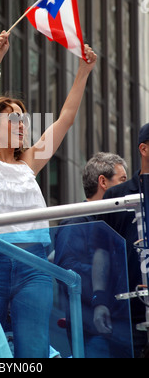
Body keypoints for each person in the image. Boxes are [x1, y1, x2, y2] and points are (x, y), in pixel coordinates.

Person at [0, 31, 97, 358]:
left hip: (33, 266)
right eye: (14, 119)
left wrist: (83, 72)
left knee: (33, 352)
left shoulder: (28, 161)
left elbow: (65, 119)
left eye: (25, 119)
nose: (23, 125)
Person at [54, 152, 132, 358]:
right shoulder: (75, 222)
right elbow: (67, 270)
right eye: (122, 180)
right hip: (92, 329)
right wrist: (111, 274)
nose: (126, 188)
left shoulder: (116, 222)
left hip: (121, 324)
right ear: (103, 182)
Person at [93, 123, 149, 358]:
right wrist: (99, 300)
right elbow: (101, 252)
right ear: (144, 149)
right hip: (126, 313)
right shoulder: (117, 195)